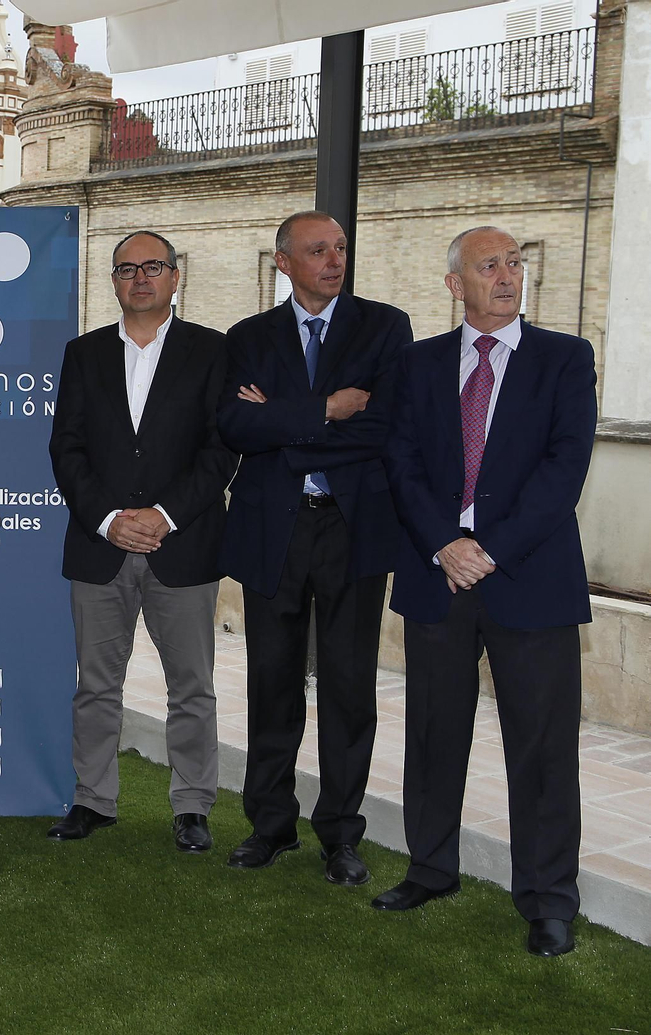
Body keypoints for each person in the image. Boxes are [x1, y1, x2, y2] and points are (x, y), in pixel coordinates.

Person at [374, 227, 595, 957]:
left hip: (529, 579)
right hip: (438, 575)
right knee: (435, 734)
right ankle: (431, 867)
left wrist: (489, 549)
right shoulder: (418, 363)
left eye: (515, 262)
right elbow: (400, 460)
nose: (507, 275)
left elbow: (564, 472)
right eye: (489, 265)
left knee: (540, 748)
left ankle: (548, 900)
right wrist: (446, 542)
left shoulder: (565, 358)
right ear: (454, 284)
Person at [216, 210, 411, 885]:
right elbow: (237, 425)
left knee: (350, 687)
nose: (334, 259)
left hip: (353, 530)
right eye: (318, 249)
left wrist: (282, 419)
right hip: (274, 528)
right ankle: (270, 826)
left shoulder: (385, 328)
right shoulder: (247, 336)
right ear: (283, 263)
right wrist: (327, 408)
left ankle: (340, 834)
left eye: (341, 248)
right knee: (272, 682)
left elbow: (383, 428)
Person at [45, 231, 235, 849]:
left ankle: (192, 807)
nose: (141, 278)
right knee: (96, 684)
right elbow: (66, 449)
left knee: (192, 686)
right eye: (127, 269)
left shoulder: (213, 351)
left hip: (182, 545)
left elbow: (221, 449)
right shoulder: (84, 353)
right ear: (114, 282)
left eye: (153, 267)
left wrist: (164, 514)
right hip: (100, 547)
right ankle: (94, 800)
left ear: (175, 277)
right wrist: (108, 519)